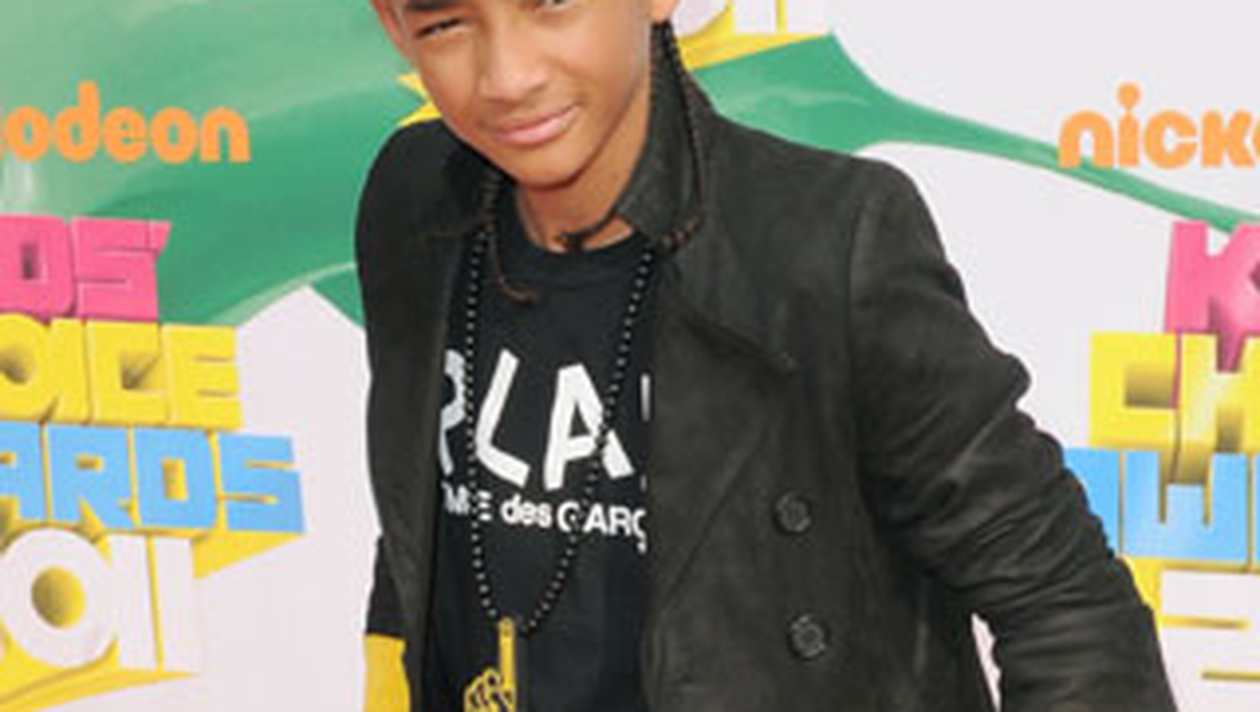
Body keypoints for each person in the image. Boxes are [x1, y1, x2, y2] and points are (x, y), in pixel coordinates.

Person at [355, 1, 1178, 711]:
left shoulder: (825, 244)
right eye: (447, 21)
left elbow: (1065, 599)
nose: (507, 76)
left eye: (551, 1)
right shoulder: (414, 204)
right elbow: (421, 533)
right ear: (392, 24)